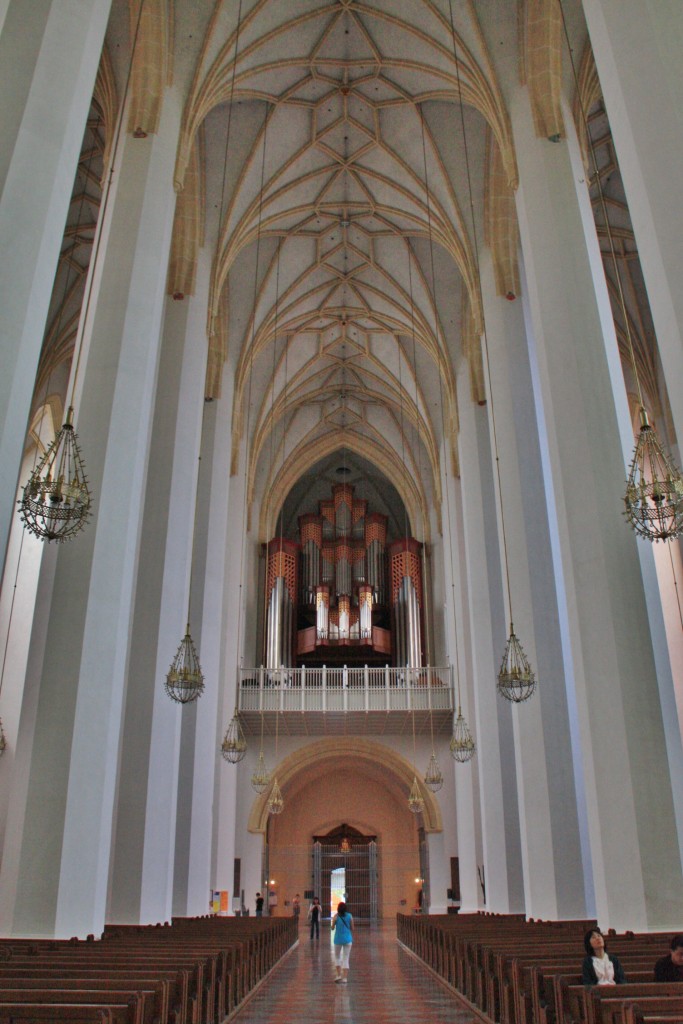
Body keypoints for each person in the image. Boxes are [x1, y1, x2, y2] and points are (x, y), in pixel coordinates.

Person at [332, 901, 354, 983]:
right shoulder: (350, 916)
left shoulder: (336, 916)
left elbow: (332, 928)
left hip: (338, 939)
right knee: (346, 958)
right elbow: (352, 928)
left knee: (337, 957)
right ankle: (345, 978)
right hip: (348, 939)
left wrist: (334, 921)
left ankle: (338, 975)